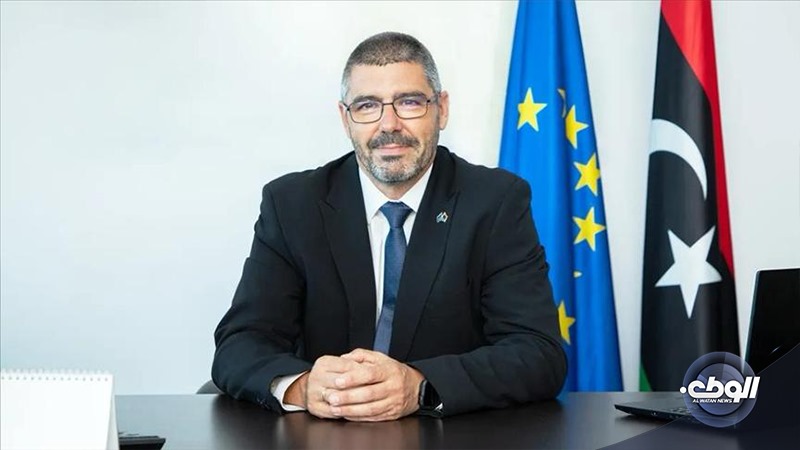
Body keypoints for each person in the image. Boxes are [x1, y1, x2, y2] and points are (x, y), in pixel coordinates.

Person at [212, 31, 566, 422]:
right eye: (367, 106)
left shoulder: (495, 201)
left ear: (441, 109)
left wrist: (420, 386)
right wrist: (303, 386)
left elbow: (538, 354)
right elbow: (240, 344)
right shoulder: (292, 204)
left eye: (409, 102)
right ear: (345, 119)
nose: (389, 125)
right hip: (323, 432)